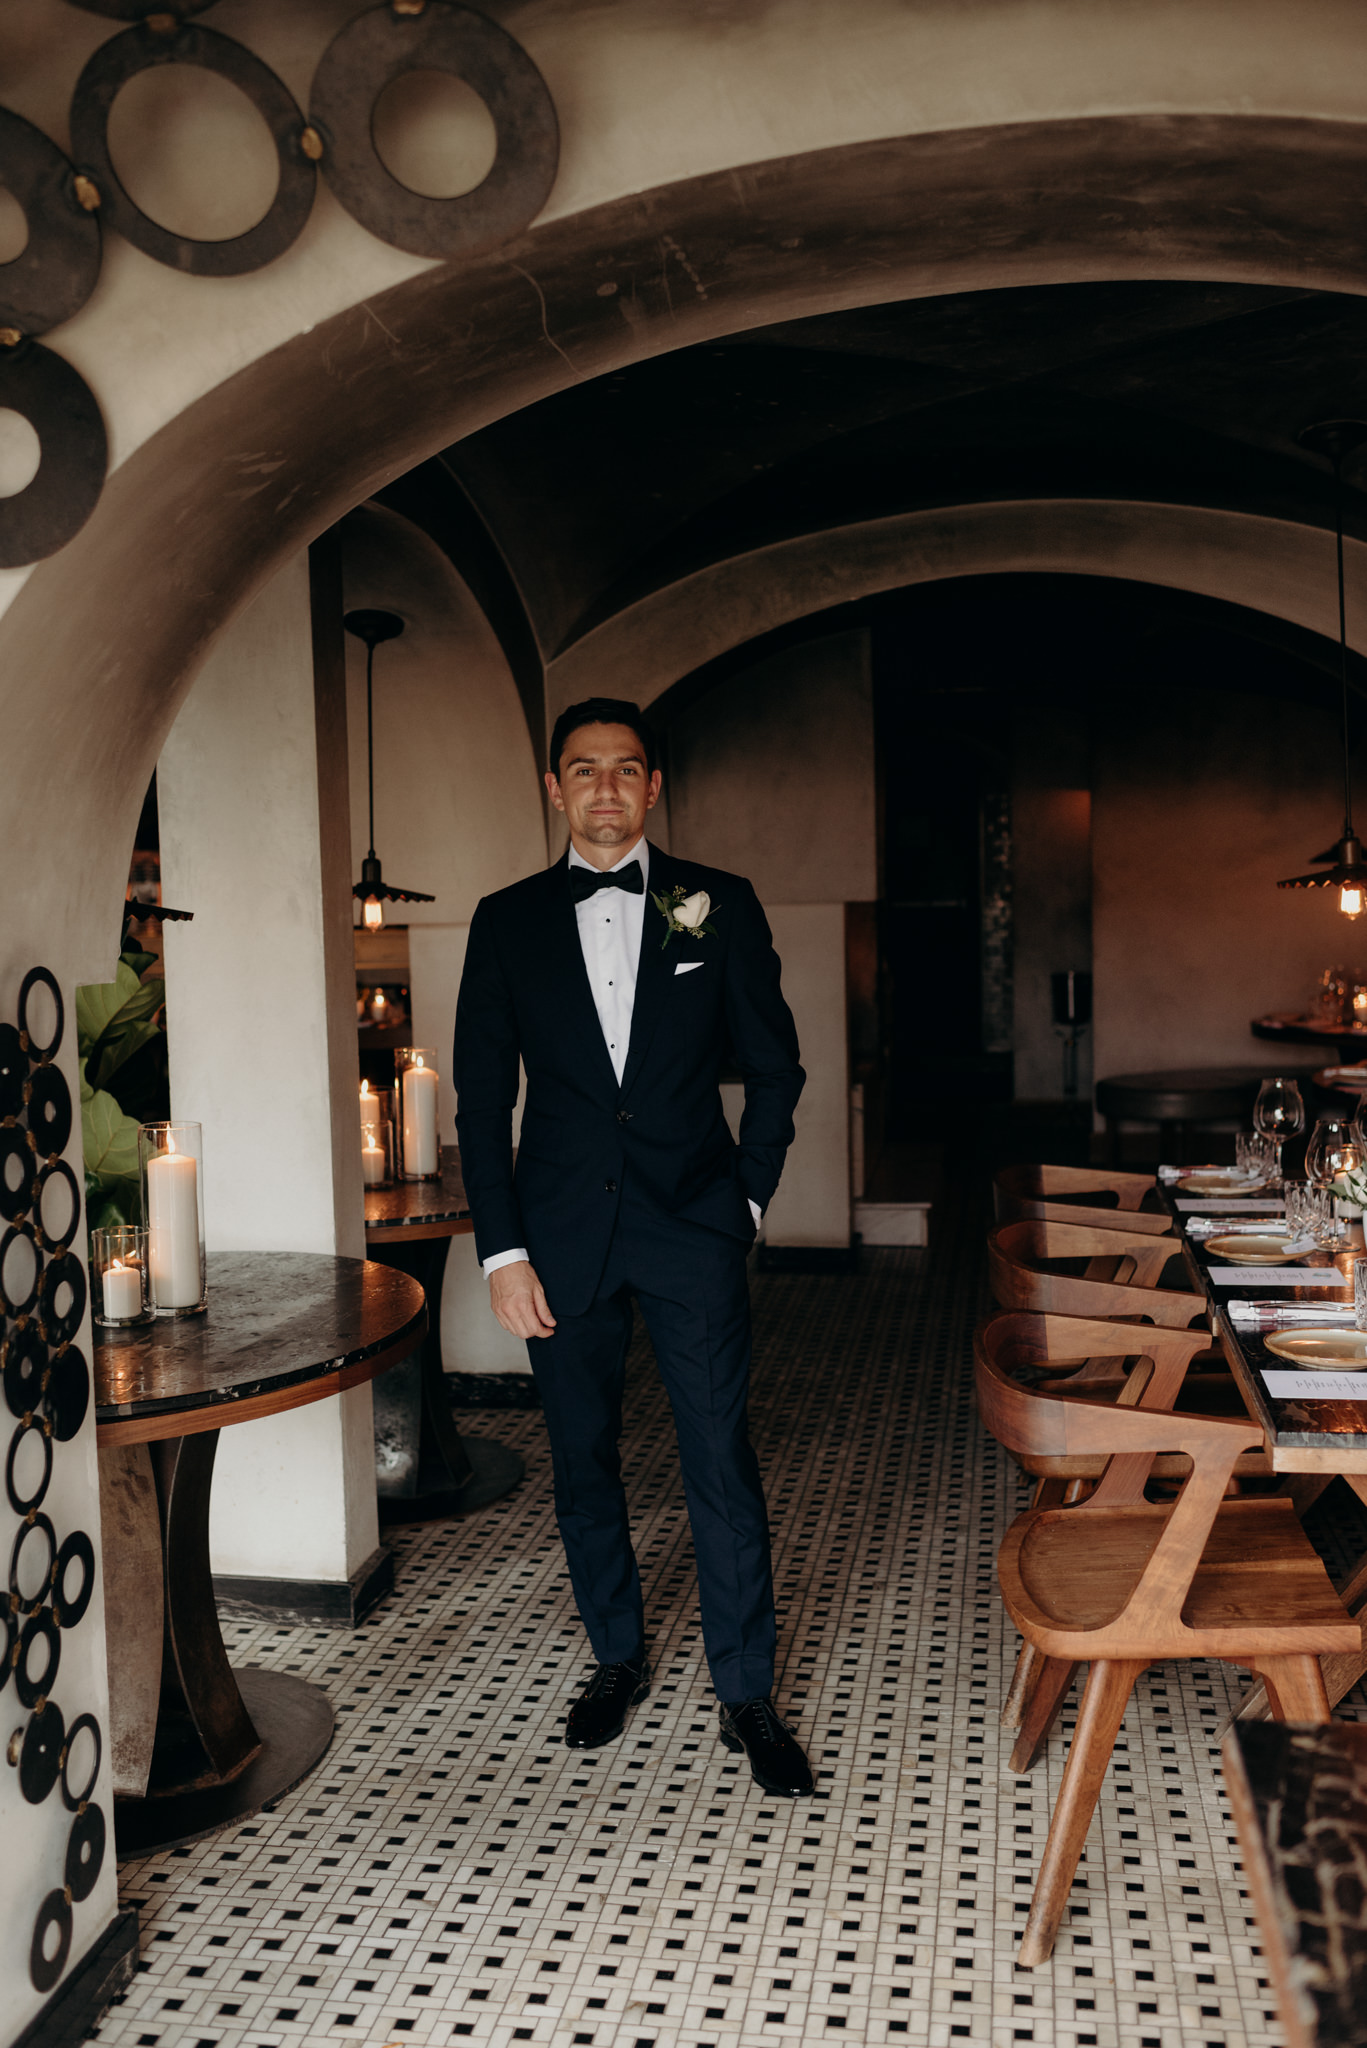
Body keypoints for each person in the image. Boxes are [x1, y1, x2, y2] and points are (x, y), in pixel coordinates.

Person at [453, 696, 811, 1796]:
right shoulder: (505, 918)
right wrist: (502, 1253)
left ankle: (744, 1685)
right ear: (553, 789)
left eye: (625, 769)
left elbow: (775, 1070)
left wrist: (742, 1205)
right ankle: (615, 1654)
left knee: (719, 1458)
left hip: (692, 1225)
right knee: (581, 1459)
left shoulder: (719, 903)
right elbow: (478, 1099)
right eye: (582, 769)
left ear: (651, 786)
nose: (604, 787)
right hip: (557, 1238)